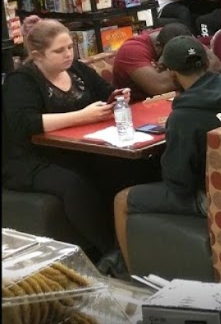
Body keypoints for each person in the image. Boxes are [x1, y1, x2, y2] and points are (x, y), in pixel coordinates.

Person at [114, 36, 221, 266]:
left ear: (171, 73)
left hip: (216, 198)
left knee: (121, 199)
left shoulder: (184, 117)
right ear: (206, 62)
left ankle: (130, 273)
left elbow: (179, 184)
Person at [2, 20, 129, 272]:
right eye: (59, 50)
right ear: (38, 55)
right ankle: (109, 251)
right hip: (28, 159)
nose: (68, 54)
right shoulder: (21, 81)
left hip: (73, 149)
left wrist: (118, 96)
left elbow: (106, 91)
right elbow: (25, 123)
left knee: (119, 168)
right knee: (74, 184)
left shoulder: (77, 69)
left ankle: (127, 243)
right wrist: (82, 116)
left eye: (70, 47)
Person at [112, 22, 221, 101]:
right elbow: (159, 86)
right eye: (176, 57)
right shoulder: (132, 50)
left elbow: (217, 66)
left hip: (180, 98)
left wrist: (182, 73)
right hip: (138, 107)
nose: (183, 64)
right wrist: (195, 70)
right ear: (158, 47)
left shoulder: (179, 34)